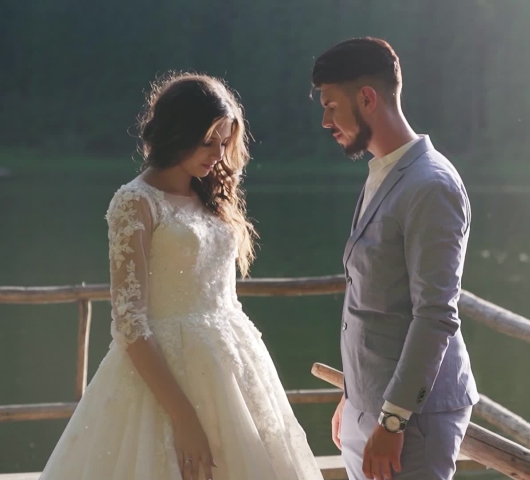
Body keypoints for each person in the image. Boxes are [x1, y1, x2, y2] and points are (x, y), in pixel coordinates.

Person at [39, 72, 323, 480]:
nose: (219, 154)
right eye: (209, 141)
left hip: (234, 368)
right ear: (178, 131)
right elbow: (130, 325)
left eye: (225, 142)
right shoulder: (135, 202)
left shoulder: (212, 195)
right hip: (163, 382)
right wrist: (185, 420)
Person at [312, 38, 479, 480]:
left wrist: (392, 419)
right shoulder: (383, 172)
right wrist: (352, 395)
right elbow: (376, 303)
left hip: (410, 422)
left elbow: (436, 314)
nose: (325, 120)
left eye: (331, 105)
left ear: (367, 98)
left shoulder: (432, 185)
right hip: (368, 407)